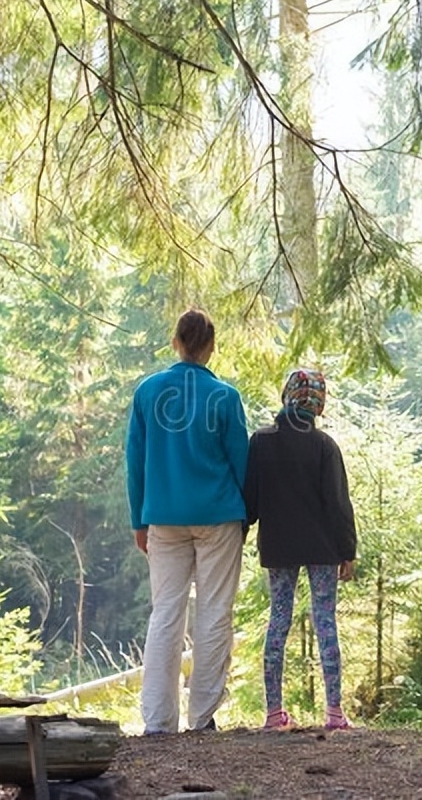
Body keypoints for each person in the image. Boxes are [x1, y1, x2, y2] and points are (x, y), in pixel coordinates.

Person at [125, 307, 249, 734]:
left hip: (162, 517)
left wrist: (139, 519)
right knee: (215, 613)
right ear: (211, 346)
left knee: (166, 613)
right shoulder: (226, 397)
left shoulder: (147, 392)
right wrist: (247, 516)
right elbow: (242, 463)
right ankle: (203, 717)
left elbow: (135, 461)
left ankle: (158, 721)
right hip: (219, 517)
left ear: (175, 341)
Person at [243, 368, 358, 731]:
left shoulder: (260, 442)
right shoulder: (325, 447)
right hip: (323, 548)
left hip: (278, 546)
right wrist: (347, 550)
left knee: (279, 621)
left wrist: (241, 531)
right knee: (325, 622)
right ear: (318, 404)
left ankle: (274, 714)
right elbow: (338, 505)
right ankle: (335, 713)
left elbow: (251, 501)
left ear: (286, 397)